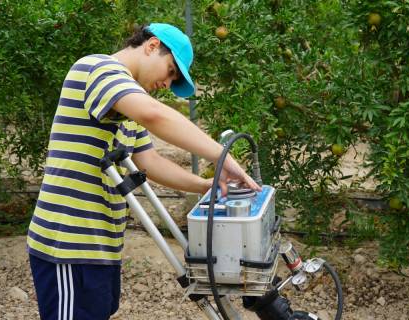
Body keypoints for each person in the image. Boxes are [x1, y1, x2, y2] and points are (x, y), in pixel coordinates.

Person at [27, 22, 261, 320]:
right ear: (152, 46)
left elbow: (149, 162)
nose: (167, 83)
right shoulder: (97, 68)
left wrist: (204, 185)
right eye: (171, 71)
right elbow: (154, 114)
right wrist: (223, 157)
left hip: (102, 245)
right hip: (69, 243)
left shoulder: (126, 103)